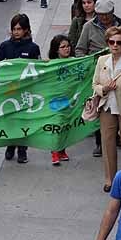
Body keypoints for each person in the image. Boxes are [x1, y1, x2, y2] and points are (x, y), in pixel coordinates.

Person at [93, 26, 121, 192]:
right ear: (107, 43)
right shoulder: (101, 61)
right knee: (107, 144)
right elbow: (95, 84)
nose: (115, 45)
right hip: (107, 107)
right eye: (111, 42)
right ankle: (110, 180)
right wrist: (104, 89)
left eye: (119, 42)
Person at [0, 13, 40, 164]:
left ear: (26, 30)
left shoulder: (33, 48)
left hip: (26, 92)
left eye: (19, 29)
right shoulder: (4, 46)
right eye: (14, 29)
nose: (16, 32)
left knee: (23, 120)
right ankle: (10, 144)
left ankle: (22, 149)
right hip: (8, 91)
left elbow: (39, 70)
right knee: (10, 120)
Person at [48, 35, 74, 164]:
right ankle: (54, 152)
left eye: (68, 46)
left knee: (66, 125)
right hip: (55, 99)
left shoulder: (75, 61)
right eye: (63, 47)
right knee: (57, 125)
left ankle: (62, 150)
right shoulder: (51, 65)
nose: (66, 49)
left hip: (70, 99)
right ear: (56, 50)